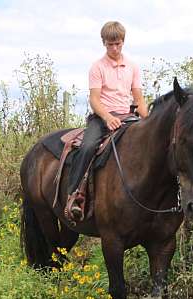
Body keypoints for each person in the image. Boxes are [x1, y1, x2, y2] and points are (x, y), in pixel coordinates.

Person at [66, 21, 148, 221]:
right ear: (104, 43)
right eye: (110, 44)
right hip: (102, 117)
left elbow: (138, 98)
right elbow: (94, 99)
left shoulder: (132, 67)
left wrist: (147, 118)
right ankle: (75, 194)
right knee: (87, 147)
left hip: (128, 117)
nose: (114, 48)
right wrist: (108, 117)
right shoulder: (97, 67)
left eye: (118, 44)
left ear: (123, 42)